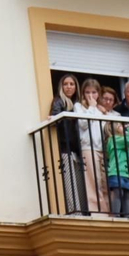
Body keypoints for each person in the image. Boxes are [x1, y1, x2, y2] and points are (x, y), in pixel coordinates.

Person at [51, 73, 88, 214]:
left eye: (71, 84)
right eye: (65, 84)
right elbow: (56, 118)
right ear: (61, 86)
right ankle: (75, 211)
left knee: (80, 182)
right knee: (70, 181)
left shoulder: (78, 104)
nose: (68, 87)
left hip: (77, 147)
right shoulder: (59, 101)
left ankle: (84, 210)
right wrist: (56, 118)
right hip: (65, 147)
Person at [74, 79, 111, 218]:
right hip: (88, 147)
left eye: (94, 92)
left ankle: (109, 212)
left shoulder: (100, 109)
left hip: (103, 148)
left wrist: (102, 112)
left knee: (105, 182)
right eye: (87, 92)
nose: (91, 95)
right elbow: (83, 124)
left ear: (99, 93)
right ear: (83, 93)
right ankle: (98, 214)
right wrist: (90, 107)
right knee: (93, 182)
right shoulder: (79, 107)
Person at [103, 95, 129, 217]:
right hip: (116, 172)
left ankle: (127, 216)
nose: (123, 127)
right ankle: (116, 216)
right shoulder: (114, 140)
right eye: (120, 125)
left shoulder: (121, 140)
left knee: (126, 195)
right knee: (118, 194)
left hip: (125, 172)